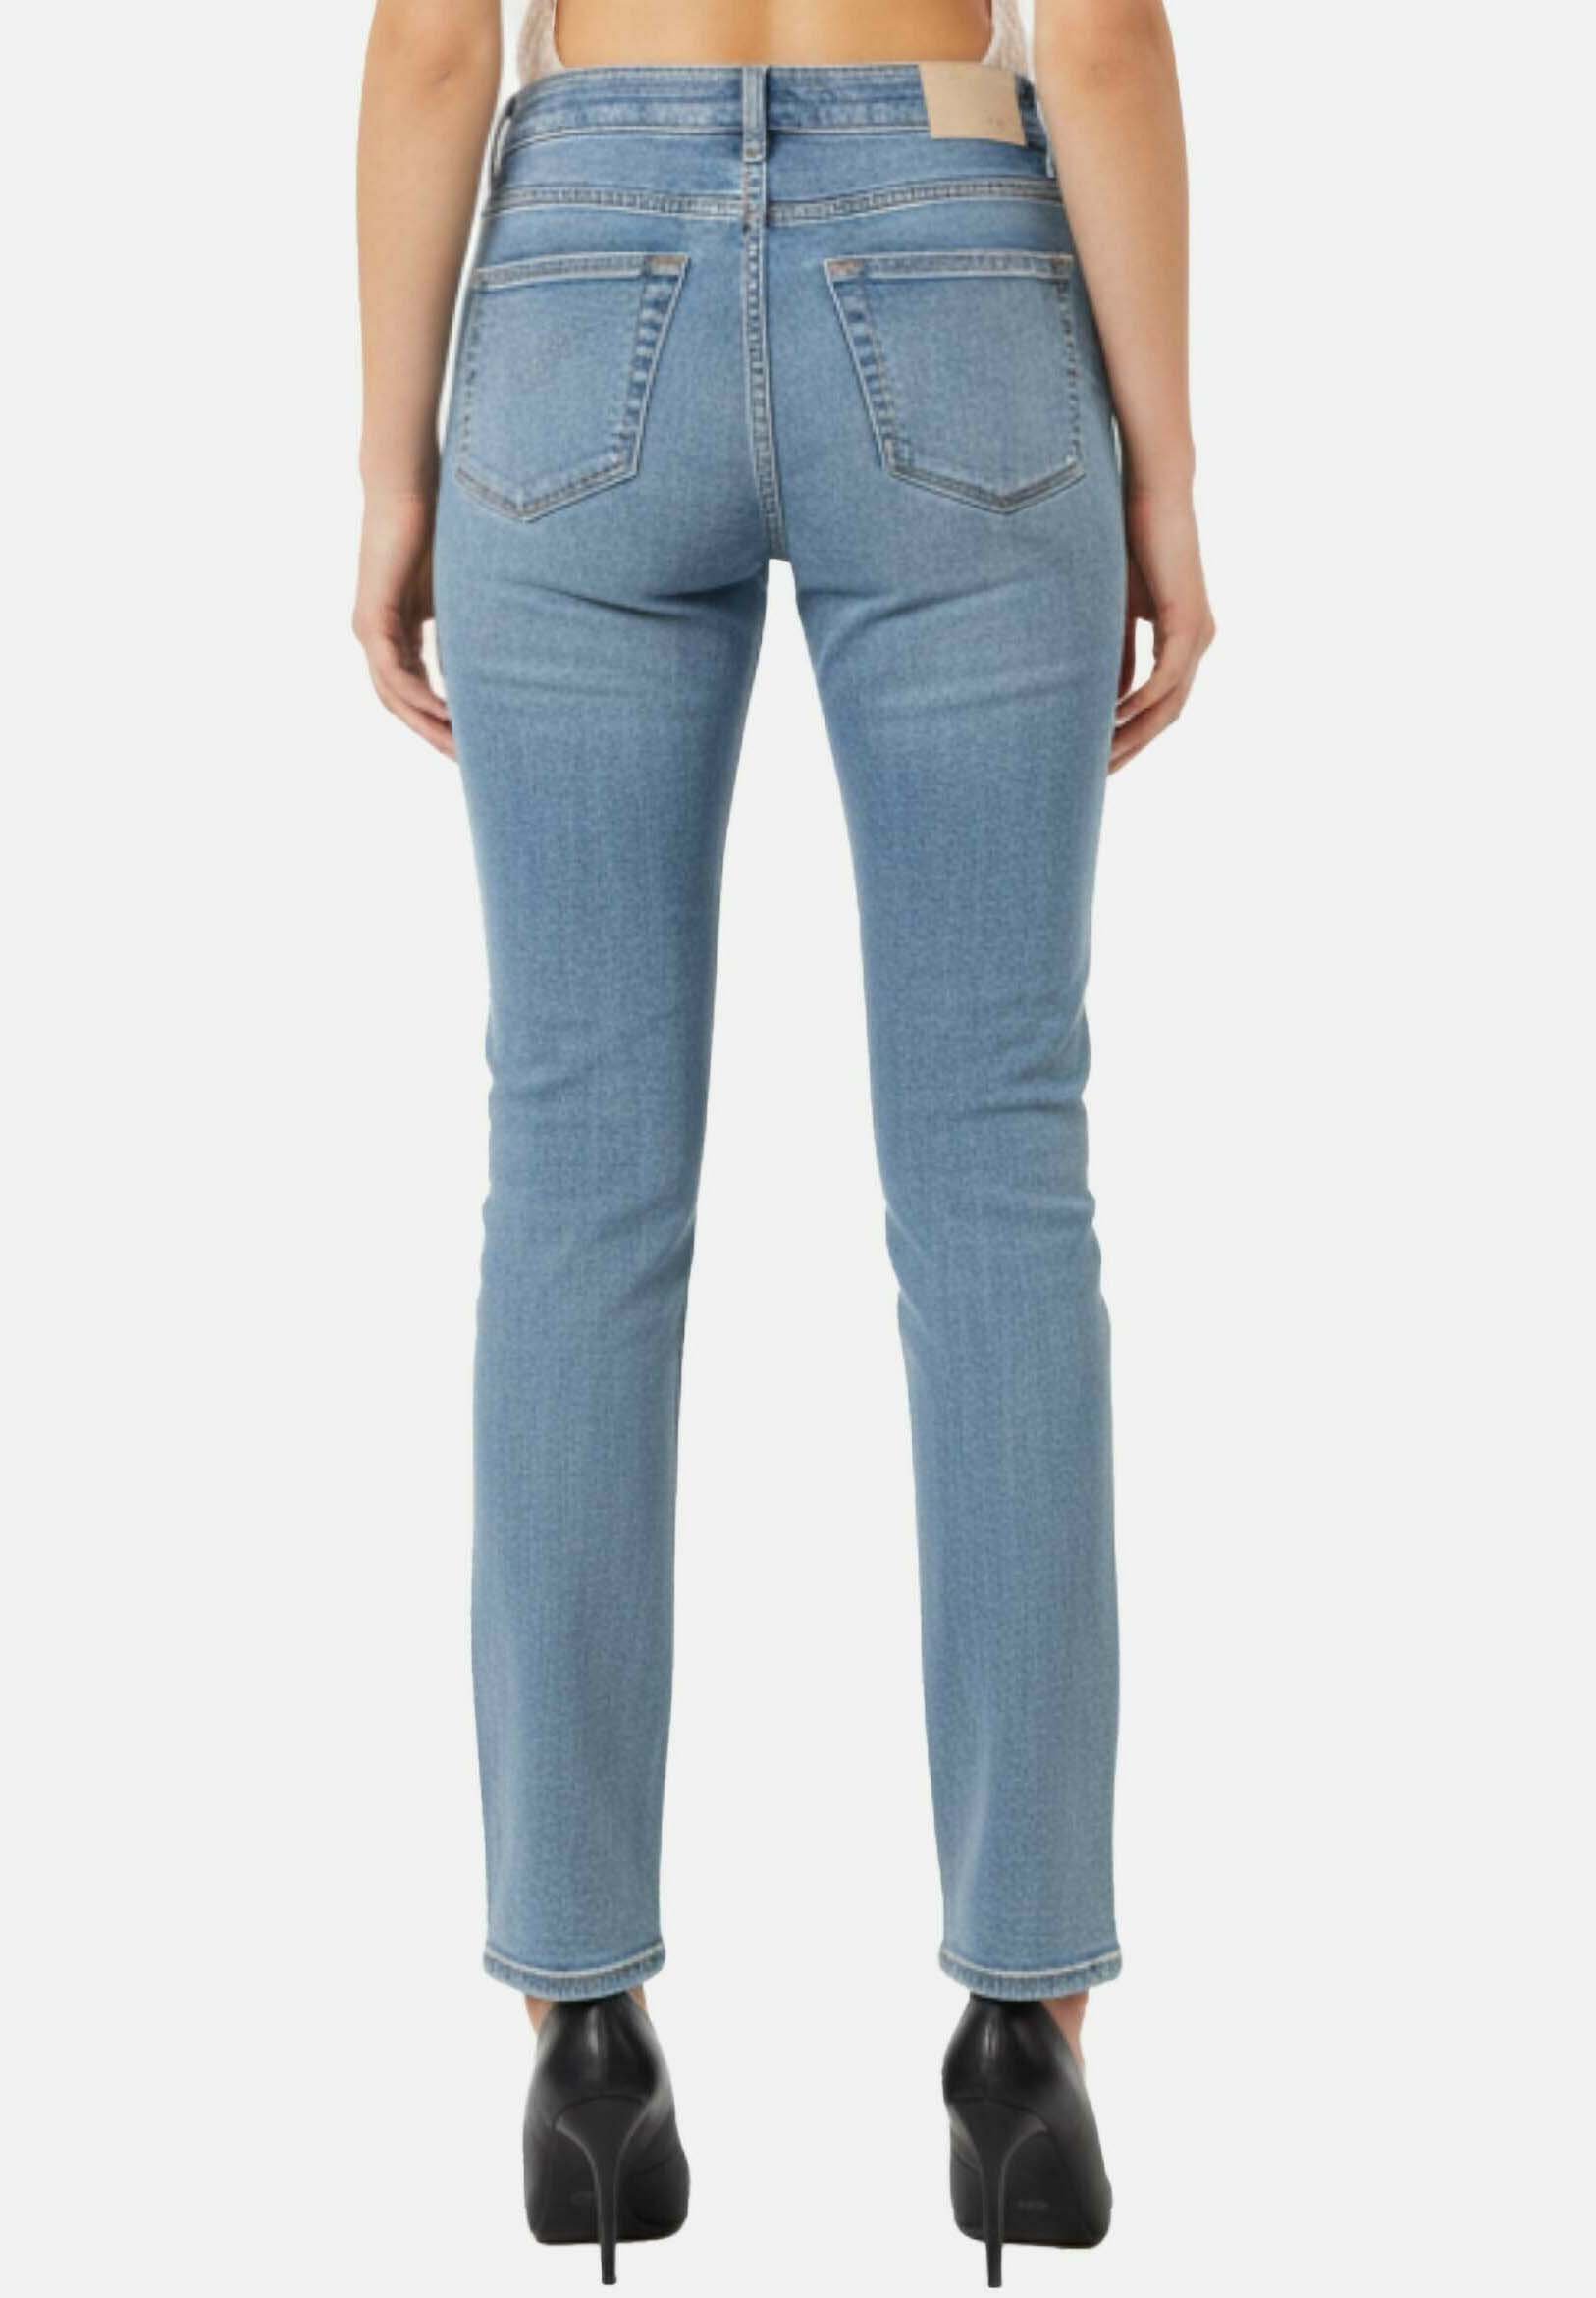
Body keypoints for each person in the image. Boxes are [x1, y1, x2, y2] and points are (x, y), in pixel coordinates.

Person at [354, 0, 1212, 2278]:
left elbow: (436, 43)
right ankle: (1025, 2023)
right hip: (955, 265)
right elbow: (1098, 37)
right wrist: (1165, 472)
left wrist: (392, 475)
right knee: (1002, 1185)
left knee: (575, 1193)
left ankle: (581, 2025)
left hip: (579, 288)